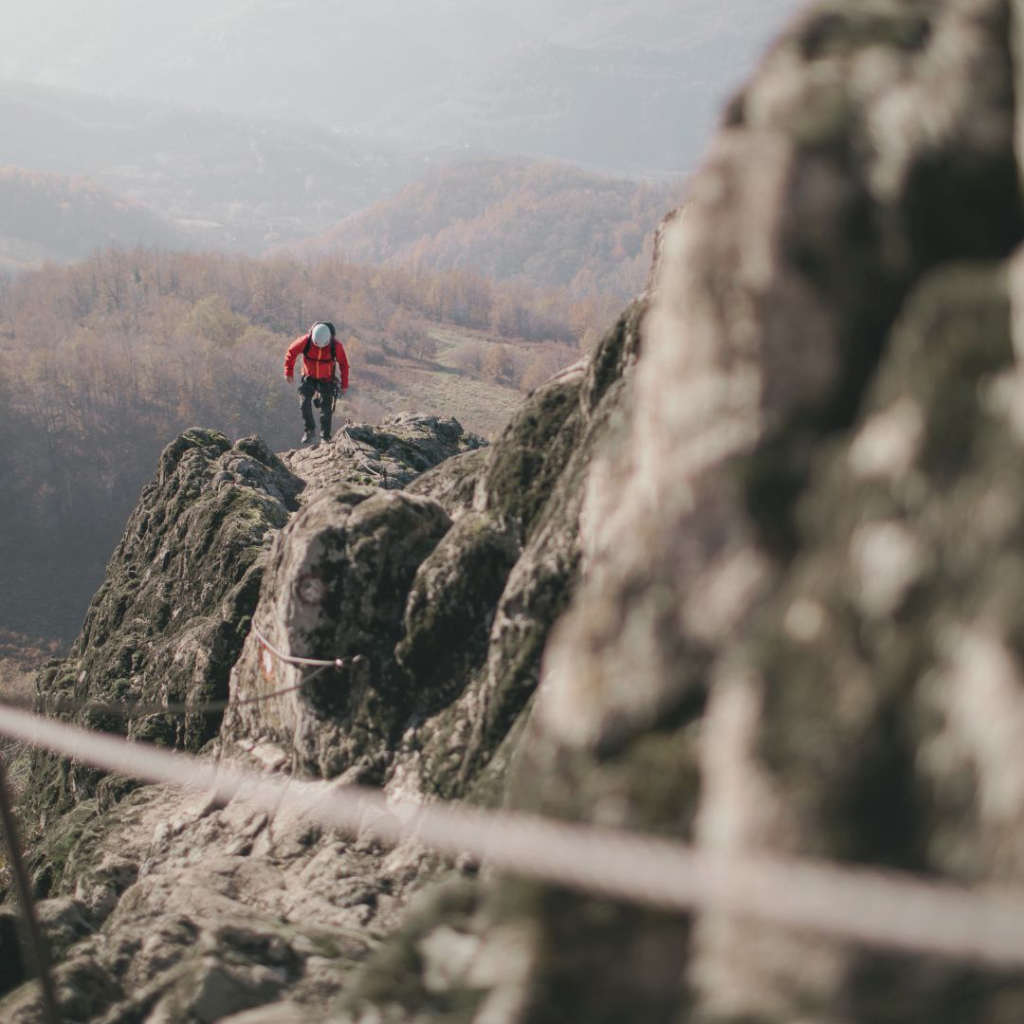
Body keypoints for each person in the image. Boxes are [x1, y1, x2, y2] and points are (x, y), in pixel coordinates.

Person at [284, 321, 350, 444]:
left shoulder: (336, 346)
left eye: (322, 346)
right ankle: (309, 430)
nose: (320, 348)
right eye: (317, 345)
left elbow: (344, 365)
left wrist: (344, 385)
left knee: (326, 408)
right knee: (304, 402)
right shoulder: (306, 341)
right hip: (309, 376)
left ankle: (325, 436)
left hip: (327, 379)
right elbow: (291, 352)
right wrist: (288, 372)